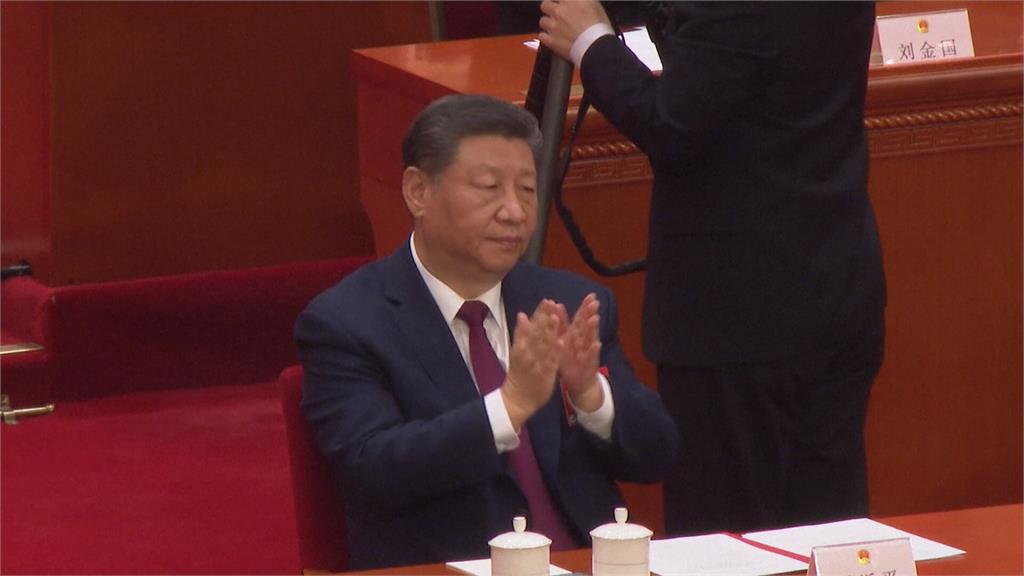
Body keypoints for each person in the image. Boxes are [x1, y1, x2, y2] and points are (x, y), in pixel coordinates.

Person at [539, 2, 886, 536]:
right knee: (827, 532)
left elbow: (672, 123)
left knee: (727, 540)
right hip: (835, 282)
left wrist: (591, 43)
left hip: (738, 314)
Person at [295, 94, 677, 570]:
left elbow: (657, 453)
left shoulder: (567, 302)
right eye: (488, 188)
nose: (514, 212)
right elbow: (374, 469)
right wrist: (509, 406)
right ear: (417, 191)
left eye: (527, 189)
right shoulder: (347, 322)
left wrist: (590, 395)